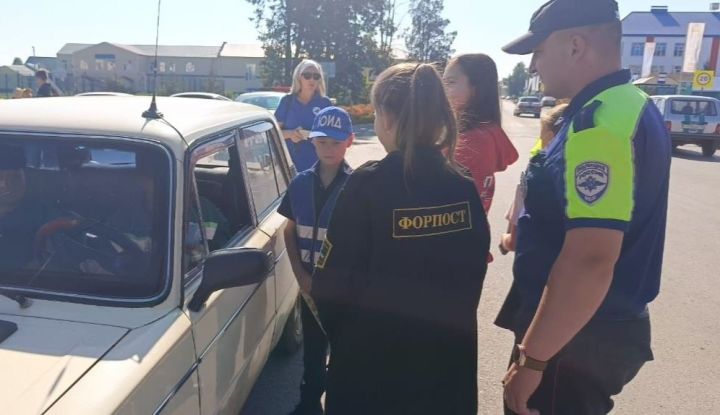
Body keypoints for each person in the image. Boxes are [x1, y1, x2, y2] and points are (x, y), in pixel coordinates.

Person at [498, 0, 672, 414]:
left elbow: (590, 258)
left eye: (539, 51)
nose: (534, 66)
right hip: (583, 329)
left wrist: (533, 358)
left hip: (572, 339)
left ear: (576, 45)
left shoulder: (599, 127)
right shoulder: (628, 105)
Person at [311, 63, 491, 415]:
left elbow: (329, 288)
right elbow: (474, 273)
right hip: (446, 371)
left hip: (372, 375)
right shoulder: (463, 184)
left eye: (377, 113)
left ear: (388, 118)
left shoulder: (367, 185)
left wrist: (345, 344)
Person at [278, 106, 355, 415]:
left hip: (344, 292)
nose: (328, 149)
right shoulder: (299, 184)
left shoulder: (357, 186)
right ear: (312, 141)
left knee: (344, 352)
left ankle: (340, 404)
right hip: (309, 286)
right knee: (312, 352)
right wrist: (301, 277)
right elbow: (289, 230)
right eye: (322, 142)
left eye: (336, 143)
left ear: (349, 141)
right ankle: (309, 404)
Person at [444, 53, 519, 213]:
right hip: (473, 231)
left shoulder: (472, 141)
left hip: (453, 233)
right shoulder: (489, 132)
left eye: (450, 82)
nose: (443, 90)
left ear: (475, 89)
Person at [499, 102, 568, 254]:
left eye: (540, 138)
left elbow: (514, 243)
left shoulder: (534, 176)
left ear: (549, 139)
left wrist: (504, 240)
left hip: (536, 269)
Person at [274, 60, 333, 172]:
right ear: (298, 77)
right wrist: (291, 134)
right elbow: (274, 134)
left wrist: (318, 137)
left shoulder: (325, 103)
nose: (312, 80)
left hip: (318, 167)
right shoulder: (287, 101)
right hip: (290, 166)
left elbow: (333, 135)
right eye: (307, 75)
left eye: (316, 76)